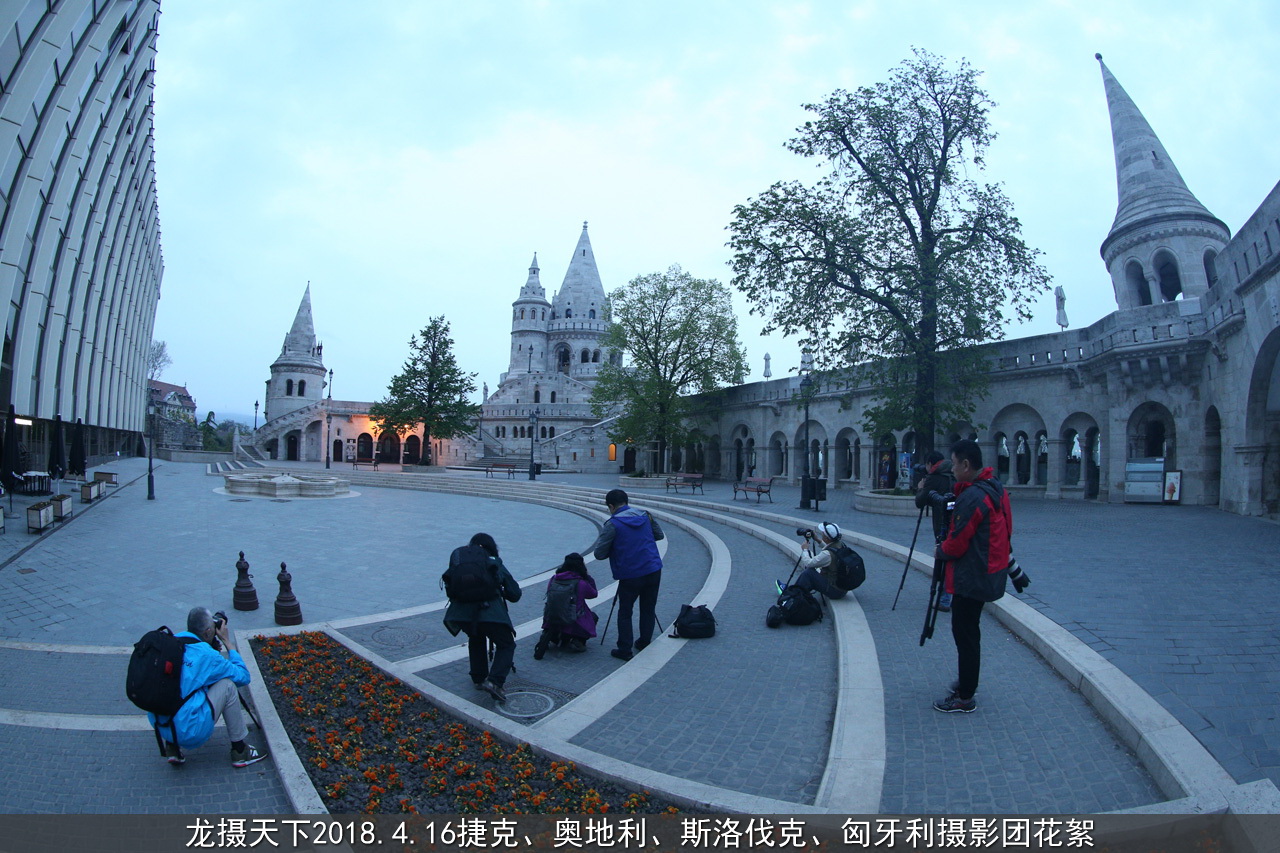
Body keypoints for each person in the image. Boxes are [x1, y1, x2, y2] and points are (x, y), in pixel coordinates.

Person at [932, 439, 1030, 713]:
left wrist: (941, 550)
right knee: (969, 632)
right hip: (987, 573)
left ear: (966, 465)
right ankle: (966, 682)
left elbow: (957, 542)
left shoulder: (973, 497)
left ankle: (965, 696)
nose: (952, 469)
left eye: (954, 464)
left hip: (971, 577)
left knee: (965, 635)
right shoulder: (996, 488)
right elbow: (1006, 531)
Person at [148, 607, 268, 767]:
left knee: (180, 684)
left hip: (161, 726)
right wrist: (227, 642)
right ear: (208, 632)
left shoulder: (171, 642)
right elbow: (243, 677)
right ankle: (240, 751)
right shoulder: (207, 656)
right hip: (189, 733)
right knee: (227, 685)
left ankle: (172, 748)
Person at [443, 532, 522, 703]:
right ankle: (495, 682)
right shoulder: (492, 561)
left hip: (462, 615)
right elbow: (515, 594)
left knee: (476, 637)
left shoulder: (459, 560)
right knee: (506, 644)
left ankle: (478, 678)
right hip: (490, 613)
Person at [591, 488, 664, 661]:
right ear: (626, 501)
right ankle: (644, 641)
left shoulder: (613, 524)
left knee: (625, 611)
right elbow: (659, 535)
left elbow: (599, 554)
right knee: (648, 608)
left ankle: (624, 649)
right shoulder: (645, 515)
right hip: (653, 568)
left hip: (630, 573)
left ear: (611, 506)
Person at [533, 552, 599, 659]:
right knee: (593, 616)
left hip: (551, 619)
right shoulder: (581, 583)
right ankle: (578, 640)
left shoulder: (554, 579)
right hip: (573, 623)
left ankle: (549, 636)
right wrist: (588, 577)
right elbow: (593, 594)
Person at [914, 450, 955, 612]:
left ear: (930, 464)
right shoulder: (953, 473)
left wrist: (920, 488)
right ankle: (953, 596)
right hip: (958, 523)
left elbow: (920, 502)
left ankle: (944, 600)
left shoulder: (933, 478)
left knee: (944, 560)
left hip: (942, 526)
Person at [776, 521, 851, 600]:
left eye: (823, 533)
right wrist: (817, 540)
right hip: (842, 588)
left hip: (834, 591)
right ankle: (798, 591)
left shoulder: (827, 554)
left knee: (808, 573)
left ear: (826, 538)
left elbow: (809, 563)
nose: (822, 533)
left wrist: (805, 550)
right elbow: (830, 549)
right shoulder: (841, 545)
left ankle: (791, 594)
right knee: (812, 573)